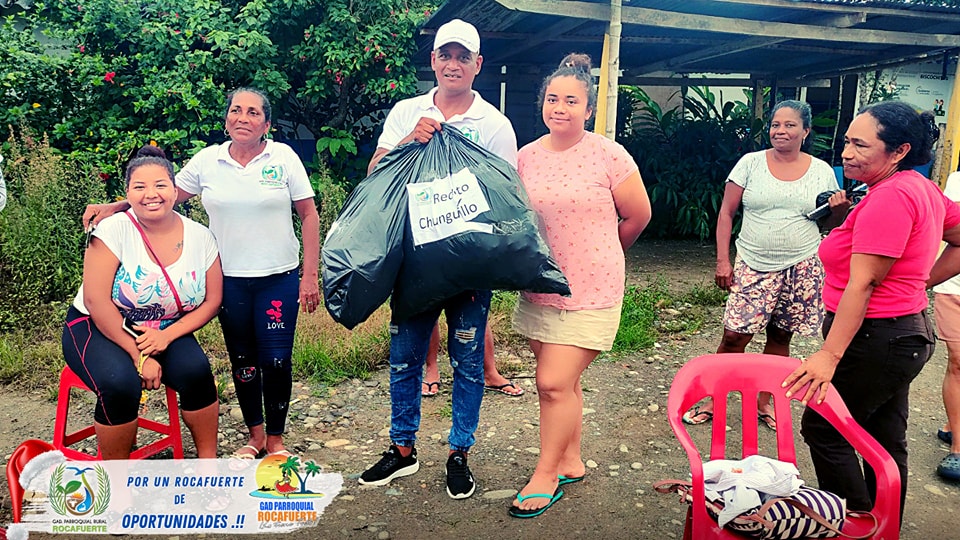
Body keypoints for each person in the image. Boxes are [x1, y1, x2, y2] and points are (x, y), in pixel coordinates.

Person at [83, 88, 321, 459]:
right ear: (226, 119)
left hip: (279, 276)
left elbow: (308, 214)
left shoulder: (283, 158)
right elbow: (161, 194)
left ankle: (276, 440)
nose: (243, 118)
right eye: (236, 110)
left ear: (267, 124)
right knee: (242, 361)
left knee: (275, 361)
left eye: (253, 112)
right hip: (230, 279)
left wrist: (309, 276)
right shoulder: (208, 161)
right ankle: (255, 437)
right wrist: (115, 206)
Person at [357, 18, 518, 500]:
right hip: (413, 261)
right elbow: (375, 173)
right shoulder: (407, 111)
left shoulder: (493, 124)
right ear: (433, 60)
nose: (453, 64)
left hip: (469, 263)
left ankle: (459, 452)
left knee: (467, 361)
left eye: (463, 57)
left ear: (478, 64)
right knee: (404, 359)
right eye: (445, 55)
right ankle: (402, 448)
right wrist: (410, 141)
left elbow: (507, 193)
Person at [782, 101, 960, 522]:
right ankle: (883, 526)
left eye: (861, 145)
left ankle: (854, 525)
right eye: (847, 142)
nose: (847, 153)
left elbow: (862, 283)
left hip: (876, 337)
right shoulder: (917, 188)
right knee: (883, 438)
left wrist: (829, 355)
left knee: (825, 428)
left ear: (899, 151)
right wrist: (919, 281)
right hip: (902, 334)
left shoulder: (891, 197)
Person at [508, 53, 651, 518]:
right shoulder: (526, 157)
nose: (560, 108)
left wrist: (604, 252)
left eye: (571, 101)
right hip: (541, 286)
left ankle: (546, 475)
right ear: (543, 104)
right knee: (563, 384)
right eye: (553, 99)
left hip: (592, 288)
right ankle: (570, 459)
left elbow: (638, 215)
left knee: (551, 383)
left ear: (588, 109)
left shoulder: (608, 154)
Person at [682, 100, 843, 431]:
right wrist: (723, 260)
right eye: (775, 125)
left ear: (806, 131)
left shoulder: (821, 171)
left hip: (802, 265)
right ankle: (714, 398)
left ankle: (765, 401)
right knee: (734, 336)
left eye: (790, 125)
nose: (780, 131)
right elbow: (726, 213)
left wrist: (840, 208)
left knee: (781, 335)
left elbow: (829, 224)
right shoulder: (750, 163)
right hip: (753, 263)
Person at [64, 145, 222, 459]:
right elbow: (97, 301)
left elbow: (212, 301)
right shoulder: (112, 230)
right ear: (127, 194)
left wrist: (166, 336)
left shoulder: (200, 236)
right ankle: (117, 479)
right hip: (98, 326)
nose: (151, 194)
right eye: (139, 187)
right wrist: (140, 357)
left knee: (196, 371)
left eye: (160, 185)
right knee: (120, 384)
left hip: (164, 328)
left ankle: (208, 465)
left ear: (175, 191)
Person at [930, 165, 960, 480]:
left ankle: (954, 423)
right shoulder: (957, 181)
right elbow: (949, 229)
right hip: (955, 288)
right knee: (958, 362)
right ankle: (958, 449)